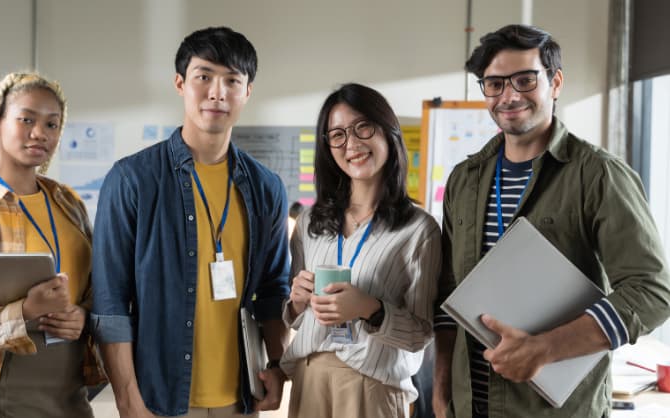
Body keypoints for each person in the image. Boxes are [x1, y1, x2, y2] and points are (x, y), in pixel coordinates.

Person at [432, 24, 670, 418]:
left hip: (554, 410)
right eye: (494, 84)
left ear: (555, 82)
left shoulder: (598, 175)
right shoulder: (464, 179)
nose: (509, 96)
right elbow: (448, 294)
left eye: (524, 80)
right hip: (468, 405)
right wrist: (440, 390)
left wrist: (544, 349)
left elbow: (652, 291)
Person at [90, 26, 290, 417]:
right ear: (180, 83)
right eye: (204, 77)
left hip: (239, 396)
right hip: (159, 399)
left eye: (232, 80)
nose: (217, 92)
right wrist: (129, 401)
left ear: (247, 92)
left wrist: (277, 367)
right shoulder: (132, 180)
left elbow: (272, 292)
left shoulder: (267, 188)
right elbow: (111, 305)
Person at [0, 72, 104, 418]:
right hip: (5, 402)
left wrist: (83, 317)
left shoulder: (69, 203)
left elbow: (95, 292)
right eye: (26, 119)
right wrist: (24, 313)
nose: (40, 133)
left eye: (52, 124)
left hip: (74, 398)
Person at [281, 83, 441, 418]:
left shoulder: (418, 229)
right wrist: (296, 302)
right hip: (310, 379)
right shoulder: (311, 221)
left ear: (387, 131)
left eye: (362, 128)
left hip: (371, 388)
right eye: (337, 135)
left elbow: (421, 333)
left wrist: (371, 308)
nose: (351, 144)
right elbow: (295, 317)